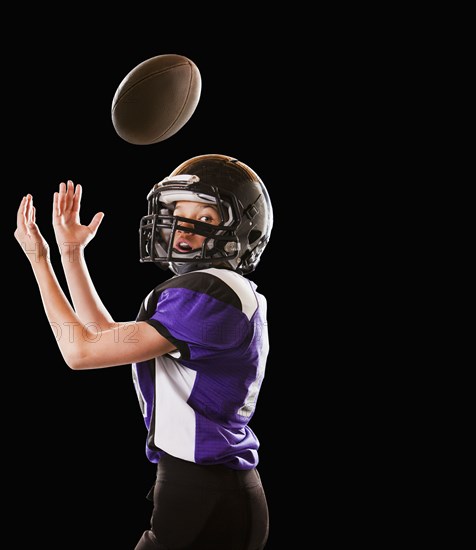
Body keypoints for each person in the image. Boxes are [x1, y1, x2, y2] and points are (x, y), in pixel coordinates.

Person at [14, 153, 273, 550]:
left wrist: (38, 259)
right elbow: (104, 334)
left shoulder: (210, 291)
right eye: (179, 212)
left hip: (204, 492)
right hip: (210, 489)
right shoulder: (223, 290)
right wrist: (71, 253)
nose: (184, 226)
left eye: (205, 218)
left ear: (242, 230)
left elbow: (79, 352)